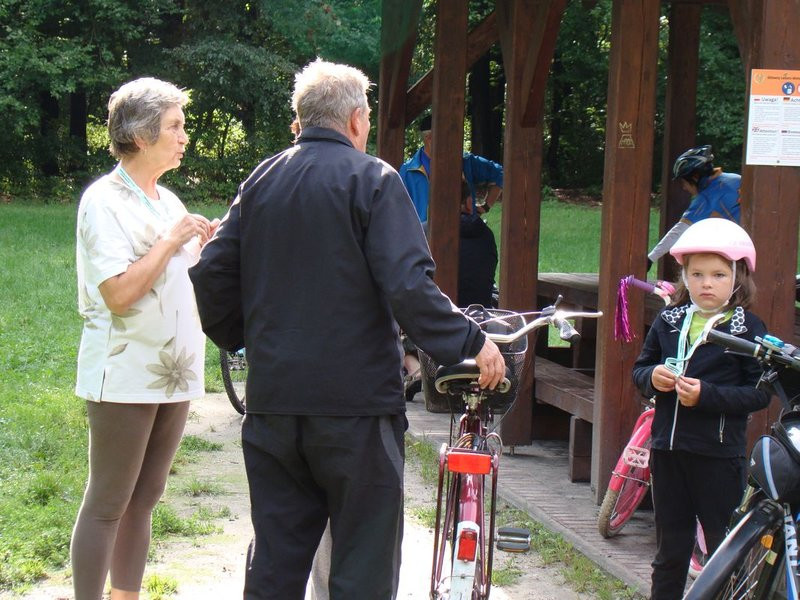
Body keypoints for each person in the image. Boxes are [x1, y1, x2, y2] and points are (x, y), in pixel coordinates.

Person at [188, 59, 505, 600]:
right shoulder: (374, 179)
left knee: (275, 561)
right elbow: (408, 285)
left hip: (275, 404)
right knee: (362, 565)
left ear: (302, 118)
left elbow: (211, 272)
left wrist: (246, 337)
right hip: (356, 410)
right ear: (357, 119)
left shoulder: (261, 179)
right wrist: (471, 341)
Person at [72, 77, 218, 600]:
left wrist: (207, 242)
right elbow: (118, 294)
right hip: (124, 372)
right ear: (139, 135)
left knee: (145, 498)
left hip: (173, 371)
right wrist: (171, 239)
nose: (184, 136)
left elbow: (180, 275)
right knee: (109, 502)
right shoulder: (103, 201)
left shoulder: (167, 199)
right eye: (174, 126)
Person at [632, 218, 770, 600]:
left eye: (718, 275)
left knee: (724, 552)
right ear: (684, 276)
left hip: (717, 458)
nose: (707, 283)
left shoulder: (748, 329)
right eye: (697, 274)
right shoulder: (669, 320)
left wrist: (706, 395)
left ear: (738, 277)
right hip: (667, 452)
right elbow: (640, 370)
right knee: (669, 552)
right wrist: (652, 377)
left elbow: (759, 394)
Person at [398, 114, 503, 230]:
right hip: (424, 237)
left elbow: (501, 174)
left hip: (464, 235)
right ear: (429, 138)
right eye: (446, 135)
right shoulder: (407, 171)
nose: (451, 139)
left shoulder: (466, 161)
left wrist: (486, 206)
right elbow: (399, 211)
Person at [648, 145, 741, 269]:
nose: (684, 187)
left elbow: (678, 232)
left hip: (737, 255)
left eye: (684, 182)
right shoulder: (737, 178)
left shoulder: (706, 198)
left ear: (695, 177)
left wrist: (651, 258)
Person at [458, 180, 498, 308]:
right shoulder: (487, 235)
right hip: (480, 315)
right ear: (470, 203)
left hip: (438, 315)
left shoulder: (425, 232)